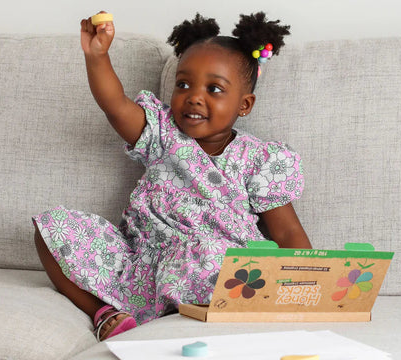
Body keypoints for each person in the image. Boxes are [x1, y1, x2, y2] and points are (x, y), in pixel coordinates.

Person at [33, 11, 311, 341]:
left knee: (224, 260)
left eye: (214, 89)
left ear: (245, 104)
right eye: (183, 84)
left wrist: (305, 284)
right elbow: (115, 105)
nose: (194, 96)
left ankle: (214, 313)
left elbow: (288, 229)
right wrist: (97, 57)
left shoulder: (260, 159)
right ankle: (105, 312)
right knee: (52, 227)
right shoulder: (162, 133)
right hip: (140, 265)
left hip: (215, 265)